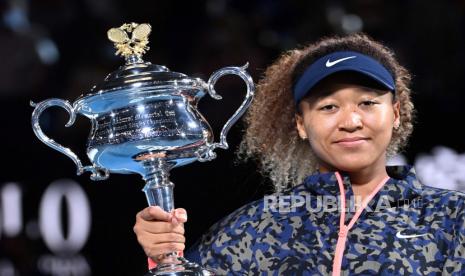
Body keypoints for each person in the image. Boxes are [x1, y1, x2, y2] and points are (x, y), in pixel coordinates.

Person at [133, 33, 465, 275]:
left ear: (395, 114)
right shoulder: (254, 226)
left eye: (367, 103)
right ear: (301, 123)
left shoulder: (453, 219)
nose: (350, 121)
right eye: (329, 106)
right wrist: (163, 258)